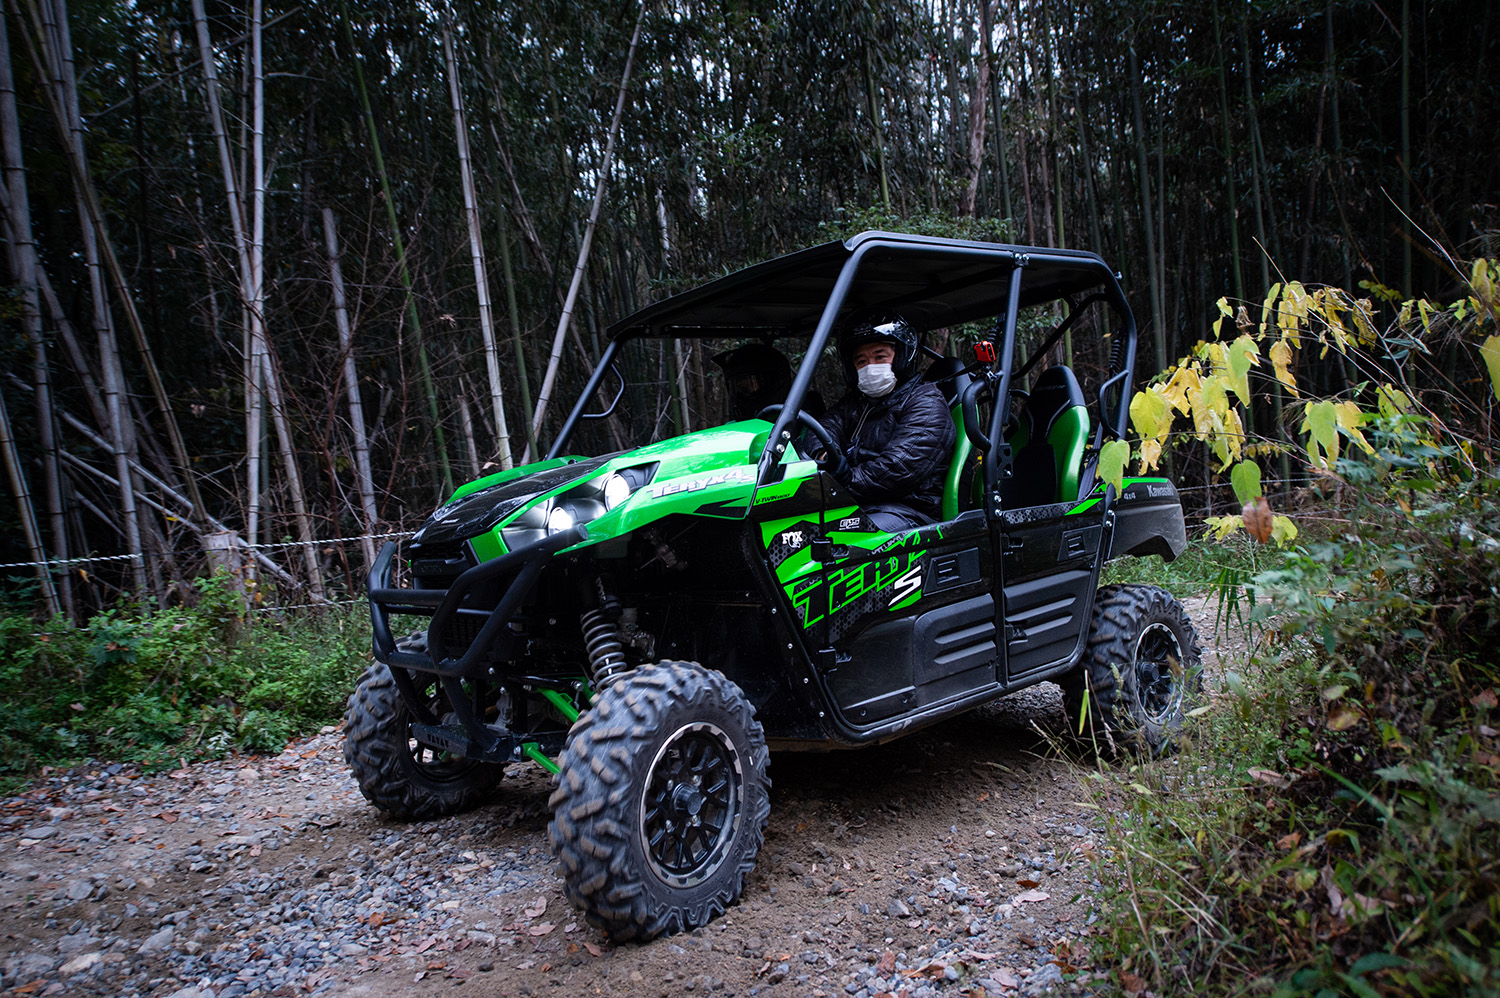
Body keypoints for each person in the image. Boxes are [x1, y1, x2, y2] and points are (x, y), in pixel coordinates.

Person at [817, 316, 955, 532]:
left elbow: (898, 469)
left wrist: (844, 480)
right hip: (859, 504)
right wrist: (824, 456)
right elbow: (822, 428)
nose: (870, 367)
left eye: (880, 357)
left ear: (901, 359)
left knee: (834, 543)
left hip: (909, 510)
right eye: (861, 362)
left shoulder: (926, 403)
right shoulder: (856, 403)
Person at [712, 341, 824, 422]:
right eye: (736, 388)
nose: (741, 396)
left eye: (750, 386)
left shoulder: (801, 423)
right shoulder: (732, 430)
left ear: (775, 383)